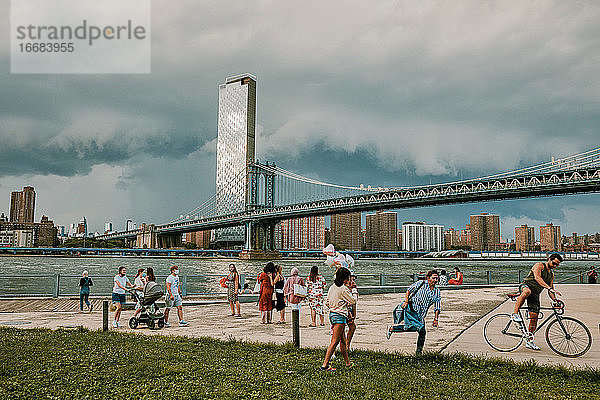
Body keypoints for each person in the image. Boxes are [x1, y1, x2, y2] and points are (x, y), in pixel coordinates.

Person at [511, 253, 562, 350]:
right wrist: (548, 287)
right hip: (526, 286)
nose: (555, 266)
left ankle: (529, 340)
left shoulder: (551, 274)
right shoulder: (539, 265)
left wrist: (555, 300)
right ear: (549, 259)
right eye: (554, 263)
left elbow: (550, 289)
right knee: (527, 291)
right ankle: (515, 313)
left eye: (557, 265)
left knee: (534, 318)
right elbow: (537, 278)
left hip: (535, 294)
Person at [386, 270, 441, 354]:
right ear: (428, 278)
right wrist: (406, 301)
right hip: (411, 309)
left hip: (421, 314)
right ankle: (419, 353)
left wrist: (436, 319)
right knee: (422, 330)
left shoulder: (437, 291)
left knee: (414, 329)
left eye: (437, 278)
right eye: (433, 278)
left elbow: (437, 306)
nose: (435, 280)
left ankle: (392, 328)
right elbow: (409, 290)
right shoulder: (421, 283)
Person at [321, 267, 356, 371]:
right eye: (348, 278)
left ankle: (348, 363)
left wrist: (334, 306)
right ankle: (325, 364)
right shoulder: (343, 289)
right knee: (335, 341)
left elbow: (327, 302)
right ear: (344, 278)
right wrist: (353, 289)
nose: (349, 280)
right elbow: (353, 301)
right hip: (339, 316)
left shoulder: (332, 287)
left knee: (343, 341)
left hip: (332, 314)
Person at [346, 270, 359, 352]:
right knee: (339, 331)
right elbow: (352, 301)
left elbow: (354, 303)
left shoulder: (353, 288)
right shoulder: (345, 288)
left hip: (350, 310)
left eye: (354, 279)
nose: (353, 281)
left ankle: (347, 345)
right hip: (344, 311)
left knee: (352, 327)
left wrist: (354, 314)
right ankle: (345, 346)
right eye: (352, 279)